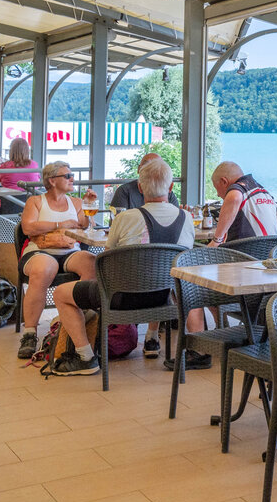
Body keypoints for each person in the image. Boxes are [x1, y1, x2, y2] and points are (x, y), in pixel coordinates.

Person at [48, 158, 197, 375]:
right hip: (167, 297)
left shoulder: (126, 218)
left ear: (140, 186)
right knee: (159, 273)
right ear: (171, 186)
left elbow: (108, 260)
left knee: (62, 293)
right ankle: (152, 337)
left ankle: (85, 358)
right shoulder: (187, 218)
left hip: (120, 299)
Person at [16, 160, 97, 359]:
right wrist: (60, 223)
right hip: (40, 251)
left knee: (93, 263)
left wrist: (88, 205)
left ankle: (78, 321)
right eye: (67, 176)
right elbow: (28, 228)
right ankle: (29, 333)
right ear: (52, 180)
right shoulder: (36, 202)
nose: (72, 179)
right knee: (44, 268)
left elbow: (85, 226)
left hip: (70, 251)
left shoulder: (76, 202)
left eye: (72, 175)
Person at [207, 161, 277, 244]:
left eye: (216, 188)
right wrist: (276, 247)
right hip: (269, 255)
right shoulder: (263, 192)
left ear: (224, 181)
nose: (217, 194)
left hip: (240, 254)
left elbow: (235, 197)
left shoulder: (238, 189)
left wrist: (217, 240)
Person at [110, 153, 178, 210]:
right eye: (146, 165)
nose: (151, 170)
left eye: (156, 166)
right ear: (138, 169)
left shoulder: (168, 193)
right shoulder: (124, 191)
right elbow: (116, 221)